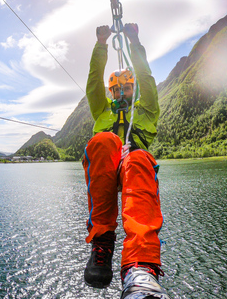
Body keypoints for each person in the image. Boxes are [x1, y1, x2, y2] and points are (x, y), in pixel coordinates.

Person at [83, 23, 170, 299]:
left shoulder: (146, 110)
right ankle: (103, 241)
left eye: (127, 89)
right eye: (117, 90)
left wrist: (134, 41)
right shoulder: (102, 112)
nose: (121, 94)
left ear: (134, 90)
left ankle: (140, 266)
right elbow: (93, 82)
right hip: (107, 170)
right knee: (102, 142)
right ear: (111, 93)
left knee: (138, 157)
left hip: (134, 170)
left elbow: (146, 76)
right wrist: (100, 44)